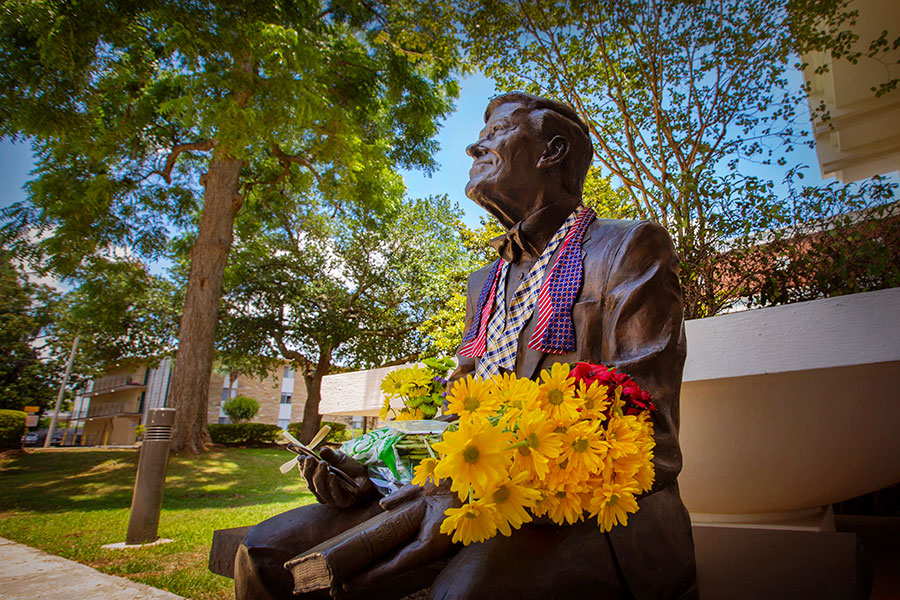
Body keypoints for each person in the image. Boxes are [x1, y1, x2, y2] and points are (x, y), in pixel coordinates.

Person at [234, 93, 697, 599]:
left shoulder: (628, 248)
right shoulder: (485, 283)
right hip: (450, 497)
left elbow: (651, 434)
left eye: (497, 132)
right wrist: (376, 470)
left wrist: (485, 480)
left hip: (592, 512)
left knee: (464, 594)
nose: (477, 145)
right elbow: (461, 426)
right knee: (265, 554)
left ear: (552, 151)